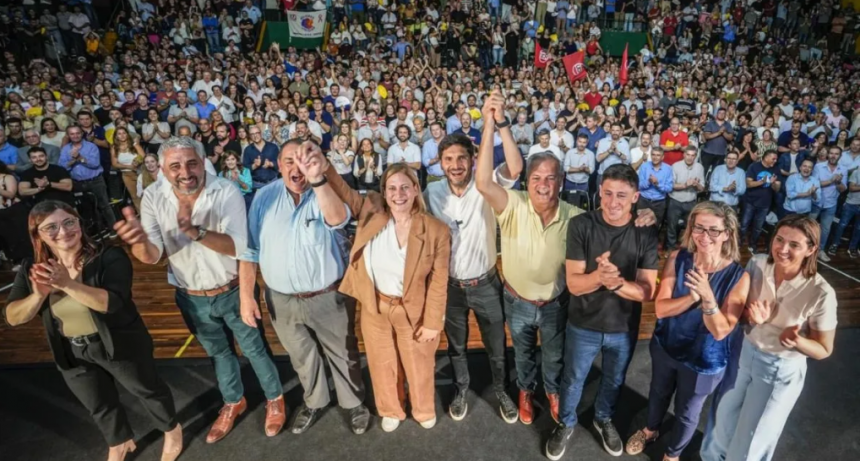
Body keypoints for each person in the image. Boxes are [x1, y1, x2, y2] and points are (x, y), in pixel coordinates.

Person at [113, 137, 286, 443]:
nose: (185, 171)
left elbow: (238, 247)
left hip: (232, 289)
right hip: (191, 296)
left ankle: (275, 398)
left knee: (255, 349)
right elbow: (153, 257)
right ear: (163, 169)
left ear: (203, 161)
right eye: (175, 165)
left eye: (192, 162)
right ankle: (234, 402)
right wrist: (139, 242)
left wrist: (196, 232)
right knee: (218, 353)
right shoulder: (153, 197)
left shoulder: (226, 190)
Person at [3, 201, 183, 461]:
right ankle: (120, 442)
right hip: (71, 350)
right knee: (98, 404)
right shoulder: (33, 266)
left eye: (69, 222)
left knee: (147, 390)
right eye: (51, 227)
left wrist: (65, 283)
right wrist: (37, 297)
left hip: (118, 344)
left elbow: (111, 303)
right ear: (37, 234)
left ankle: (172, 429)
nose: (63, 232)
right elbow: (12, 317)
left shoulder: (108, 256)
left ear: (79, 223)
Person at [238, 140, 370, 435]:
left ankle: (354, 403)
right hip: (281, 300)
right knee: (301, 355)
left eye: (303, 161)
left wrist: (318, 178)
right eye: (289, 161)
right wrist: (246, 297)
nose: (296, 168)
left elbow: (338, 219)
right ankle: (314, 401)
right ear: (279, 164)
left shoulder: (327, 191)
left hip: (328, 296)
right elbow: (249, 252)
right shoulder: (263, 197)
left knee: (343, 353)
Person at [314, 151, 451, 433]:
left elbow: (439, 281)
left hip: (412, 310)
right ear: (384, 192)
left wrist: (432, 322)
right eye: (391, 188)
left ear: (415, 189)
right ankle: (390, 409)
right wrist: (325, 167)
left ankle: (423, 408)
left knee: (418, 363)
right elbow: (345, 192)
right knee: (380, 361)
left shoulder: (436, 230)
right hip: (375, 306)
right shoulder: (372, 212)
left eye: (404, 187)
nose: (398, 194)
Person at [701, 215, 837, 461]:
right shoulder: (758, 263)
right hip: (745, 354)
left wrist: (797, 341)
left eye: (794, 245)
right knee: (723, 423)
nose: (783, 249)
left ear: (811, 249)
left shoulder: (821, 292)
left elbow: (824, 349)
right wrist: (751, 317)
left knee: (750, 442)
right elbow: (738, 311)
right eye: (779, 239)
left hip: (778, 369)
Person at [547, 164, 659, 460]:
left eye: (621, 195)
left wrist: (616, 282)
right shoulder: (582, 225)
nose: (613, 202)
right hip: (583, 324)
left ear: (636, 197)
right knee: (572, 379)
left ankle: (602, 418)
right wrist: (601, 277)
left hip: (623, 326)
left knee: (614, 380)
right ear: (599, 192)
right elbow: (574, 284)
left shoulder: (645, 231)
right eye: (607, 193)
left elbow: (647, 292)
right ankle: (566, 421)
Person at [424, 92, 523, 424]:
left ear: (472, 159)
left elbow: (514, 166)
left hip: (485, 282)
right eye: (448, 159)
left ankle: (501, 390)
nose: (455, 165)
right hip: (450, 286)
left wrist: (498, 122)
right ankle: (461, 389)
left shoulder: (488, 183)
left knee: (497, 345)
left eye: (461, 158)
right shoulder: (430, 193)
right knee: (456, 346)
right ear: (440, 163)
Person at [625, 201, 750, 461]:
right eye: (699, 228)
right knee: (658, 393)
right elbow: (660, 309)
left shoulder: (739, 276)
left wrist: (707, 297)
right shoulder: (678, 257)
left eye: (713, 230)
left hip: (704, 359)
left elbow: (720, 331)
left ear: (727, 233)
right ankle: (650, 430)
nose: (704, 236)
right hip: (667, 344)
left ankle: (673, 455)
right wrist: (692, 297)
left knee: (687, 411)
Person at [59, 125, 117, 237]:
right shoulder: (65, 149)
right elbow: (62, 167)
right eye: (72, 134)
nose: (75, 136)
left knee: (104, 206)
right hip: (78, 183)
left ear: (81, 134)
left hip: (95, 181)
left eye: (77, 133)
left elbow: (94, 164)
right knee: (87, 208)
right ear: (68, 135)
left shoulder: (91, 146)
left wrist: (80, 157)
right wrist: (73, 160)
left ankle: (113, 228)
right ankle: (98, 230)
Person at [665, 147, 705, 252]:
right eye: (688, 154)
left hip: (691, 202)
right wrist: (685, 185)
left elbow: (702, 188)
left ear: (695, 156)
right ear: (684, 155)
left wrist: (696, 185)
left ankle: (686, 249)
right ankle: (671, 249)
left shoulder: (699, 167)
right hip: (675, 201)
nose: (690, 158)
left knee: (690, 227)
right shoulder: (675, 166)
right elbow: (670, 185)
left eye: (692, 155)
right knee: (672, 226)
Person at [812, 147, 847, 262]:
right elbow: (816, 183)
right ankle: (806, 249)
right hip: (816, 202)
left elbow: (842, 189)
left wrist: (838, 182)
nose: (833, 155)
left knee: (825, 229)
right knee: (809, 227)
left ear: (840, 156)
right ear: (828, 154)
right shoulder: (818, 166)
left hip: (831, 203)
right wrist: (832, 180)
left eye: (836, 154)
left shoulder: (843, 169)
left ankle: (820, 250)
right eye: (831, 153)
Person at [741, 150, 780, 254]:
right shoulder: (754, 167)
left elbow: (777, 188)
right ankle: (739, 243)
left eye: (776, 159)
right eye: (773, 158)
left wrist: (773, 184)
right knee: (744, 224)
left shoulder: (775, 169)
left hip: (765, 203)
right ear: (766, 157)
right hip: (750, 201)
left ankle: (752, 244)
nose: (775, 161)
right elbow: (749, 184)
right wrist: (764, 181)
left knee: (758, 227)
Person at [828, 163, 860, 259]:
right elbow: (851, 188)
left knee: (859, 228)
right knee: (842, 225)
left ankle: (853, 247)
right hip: (851, 204)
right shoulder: (856, 172)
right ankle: (834, 244)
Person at [110, 127, 146, 211]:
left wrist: (137, 161)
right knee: (135, 196)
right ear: (116, 136)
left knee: (146, 194)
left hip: (140, 173)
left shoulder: (134, 144)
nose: (122, 135)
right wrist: (128, 166)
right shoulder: (114, 147)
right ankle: (142, 216)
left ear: (127, 134)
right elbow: (114, 164)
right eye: (119, 133)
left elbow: (144, 156)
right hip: (127, 175)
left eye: (124, 133)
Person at [637, 147, 673, 225]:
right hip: (644, 200)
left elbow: (669, 188)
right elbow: (638, 185)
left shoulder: (668, 169)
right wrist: (648, 182)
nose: (655, 157)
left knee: (655, 226)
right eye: (653, 154)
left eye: (658, 155)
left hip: (659, 203)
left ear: (662, 157)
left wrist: (657, 184)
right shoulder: (644, 166)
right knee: (640, 224)